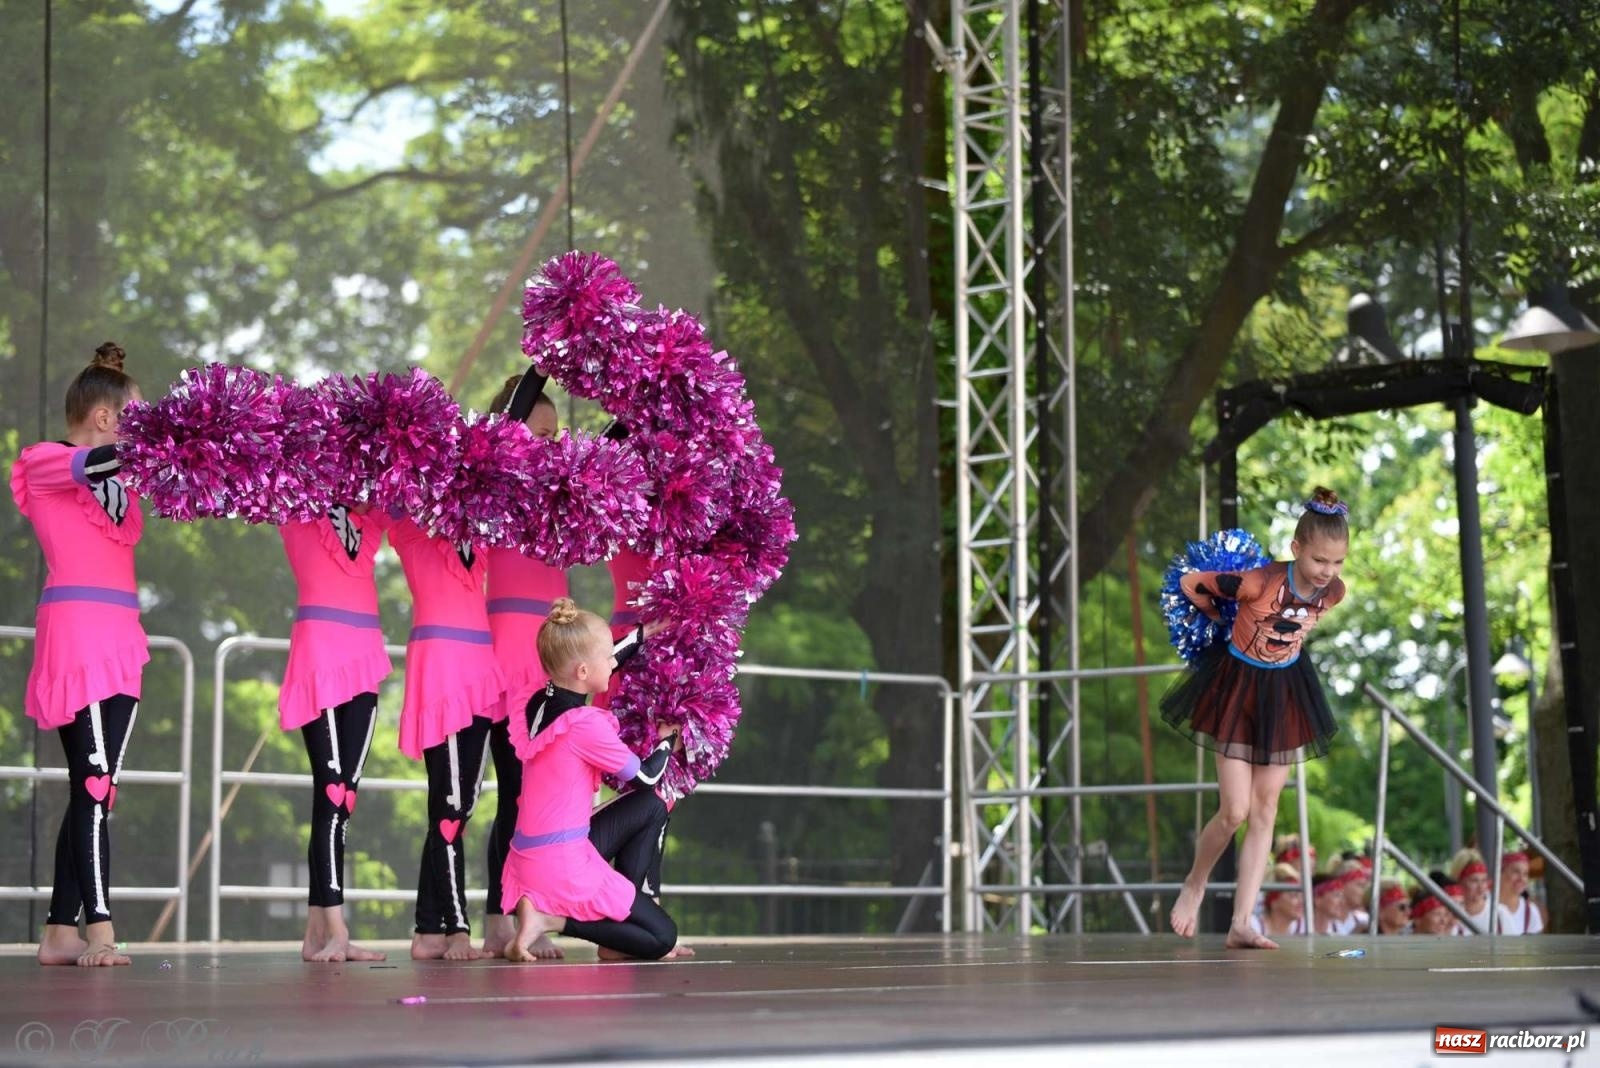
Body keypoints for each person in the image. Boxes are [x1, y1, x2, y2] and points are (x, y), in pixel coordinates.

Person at [1164, 488, 1349, 949]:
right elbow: (1191, 584)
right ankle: (1195, 882)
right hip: (1237, 690)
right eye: (1320, 560)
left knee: (1266, 809)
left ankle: (1241, 921)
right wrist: (1216, 616)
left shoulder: (1334, 593)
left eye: (1338, 562)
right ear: (1296, 549)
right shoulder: (1256, 583)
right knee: (1235, 810)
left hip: (1285, 691)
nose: (1328, 572)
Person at [12, 343, 146, 967]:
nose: (144, 427)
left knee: (98, 790)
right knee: (92, 783)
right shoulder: (44, 461)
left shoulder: (121, 477)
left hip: (121, 637)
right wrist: (166, 443)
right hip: (76, 634)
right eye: (138, 416)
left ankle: (60, 931)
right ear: (105, 418)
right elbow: (96, 466)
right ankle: (100, 930)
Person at [500, 598, 681, 963]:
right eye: (608, 659)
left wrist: (642, 635)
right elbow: (647, 776)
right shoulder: (586, 726)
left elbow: (594, 660)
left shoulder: (535, 699)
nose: (614, 663)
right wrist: (666, 740)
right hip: (564, 864)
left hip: (531, 855)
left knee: (649, 808)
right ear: (583, 671)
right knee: (662, 937)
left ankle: (616, 937)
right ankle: (552, 919)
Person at [278, 504, 393, 963]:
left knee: (343, 798)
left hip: (365, 663)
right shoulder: (298, 504)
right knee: (332, 793)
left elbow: (412, 490)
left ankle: (316, 931)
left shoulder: (370, 514)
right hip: (319, 663)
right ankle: (337, 928)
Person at [391, 511, 506, 961]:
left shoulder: (479, 529)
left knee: (460, 805)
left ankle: (427, 930)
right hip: (441, 672)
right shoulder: (409, 525)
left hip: (481, 670)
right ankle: (456, 929)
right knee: (451, 808)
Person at [481, 370, 566, 959]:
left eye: (555, 436)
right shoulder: (497, 478)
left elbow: (615, 442)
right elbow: (508, 421)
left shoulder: (568, 490)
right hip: (508, 650)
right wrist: (547, 356)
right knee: (512, 793)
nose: (549, 446)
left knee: (545, 797)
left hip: (556, 653)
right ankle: (498, 916)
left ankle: (531, 918)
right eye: (538, 433)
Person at [1249, 863, 1307, 938]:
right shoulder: (1253, 927)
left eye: (1301, 896)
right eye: (1294, 895)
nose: (1301, 901)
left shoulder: (1302, 926)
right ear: (1273, 901)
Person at [1495, 851, 1546, 935]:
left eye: (1525, 874)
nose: (1521, 878)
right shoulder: (1485, 906)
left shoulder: (1531, 911)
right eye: (1516, 872)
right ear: (1500, 873)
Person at [1448, 848, 1494, 935]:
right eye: (1474, 881)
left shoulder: (1499, 914)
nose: (1481, 888)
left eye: (1484, 880)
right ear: (1459, 881)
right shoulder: (1448, 914)